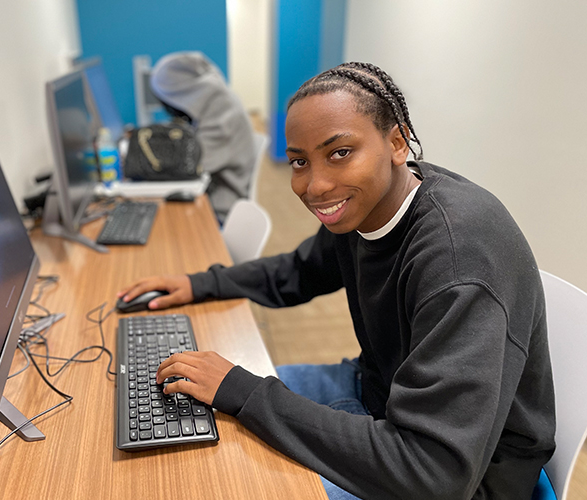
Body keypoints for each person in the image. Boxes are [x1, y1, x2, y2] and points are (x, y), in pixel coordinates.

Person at [118, 62, 555, 499]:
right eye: (299, 162)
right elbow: (299, 272)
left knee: (233, 478)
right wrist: (201, 283)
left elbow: (432, 472)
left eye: (340, 153)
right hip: (378, 397)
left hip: (458, 475)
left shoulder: (458, 260)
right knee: (198, 414)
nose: (315, 185)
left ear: (397, 142)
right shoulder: (372, 204)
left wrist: (243, 391)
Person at [150, 51, 256, 223]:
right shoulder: (216, 100)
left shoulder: (222, 115)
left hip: (221, 210)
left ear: (180, 95)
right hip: (214, 197)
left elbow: (190, 166)